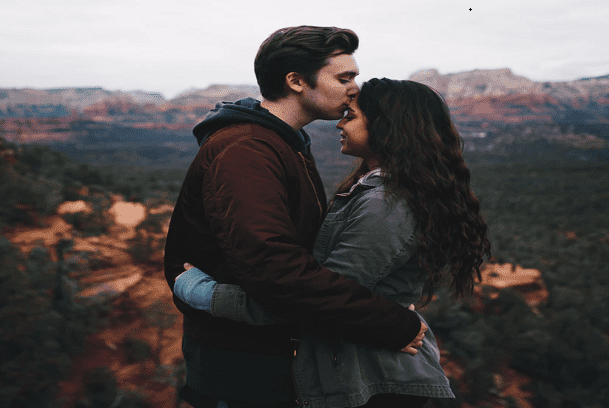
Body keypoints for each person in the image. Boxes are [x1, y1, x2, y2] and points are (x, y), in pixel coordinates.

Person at [174, 78, 491, 407]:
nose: (340, 122)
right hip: (367, 372)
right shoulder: (380, 191)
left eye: (351, 116)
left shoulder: (387, 204)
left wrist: (207, 295)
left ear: (387, 127)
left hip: (374, 382)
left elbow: (317, 299)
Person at [163, 27, 428, 408]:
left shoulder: (283, 143)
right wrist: (391, 322)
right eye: (344, 77)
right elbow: (276, 271)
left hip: (268, 356)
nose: (355, 88)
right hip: (242, 368)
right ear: (296, 81)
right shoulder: (247, 150)